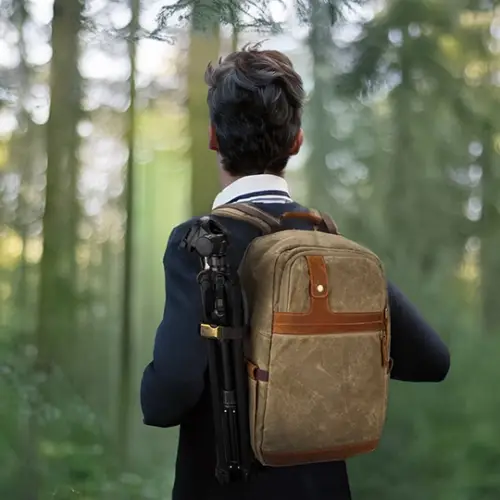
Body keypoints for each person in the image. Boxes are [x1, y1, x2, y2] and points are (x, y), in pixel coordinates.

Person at [140, 44, 450, 500]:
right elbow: (431, 360)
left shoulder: (200, 243)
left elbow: (167, 398)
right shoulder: (330, 245)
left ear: (213, 137)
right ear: (296, 141)